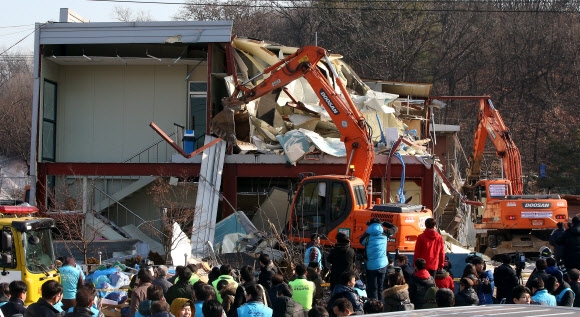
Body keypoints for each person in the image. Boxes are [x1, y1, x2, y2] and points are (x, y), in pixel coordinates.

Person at [359, 217, 397, 300]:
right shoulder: (385, 233)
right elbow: (395, 228)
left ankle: (374, 305)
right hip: (383, 264)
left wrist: (368, 230)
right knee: (381, 287)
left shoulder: (367, 235)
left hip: (371, 266)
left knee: (373, 288)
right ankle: (381, 305)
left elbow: (361, 242)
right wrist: (385, 223)